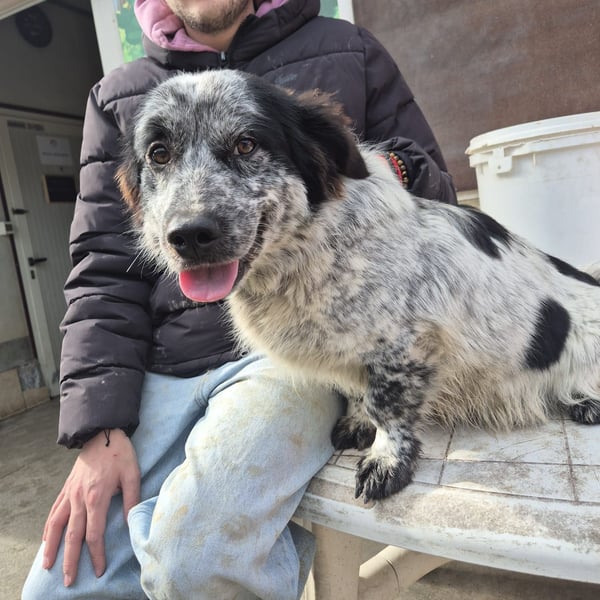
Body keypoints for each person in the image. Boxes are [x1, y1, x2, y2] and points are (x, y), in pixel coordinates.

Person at [23, 1, 456, 598]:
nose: (192, 217)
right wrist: (99, 427)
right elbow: (103, 266)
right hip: (160, 369)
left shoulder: (347, 50)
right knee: (58, 590)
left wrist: (384, 171)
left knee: (193, 563)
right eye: (161, 156)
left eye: (246, 144)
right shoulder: (118, 95)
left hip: (296, 354)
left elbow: (434, 201)